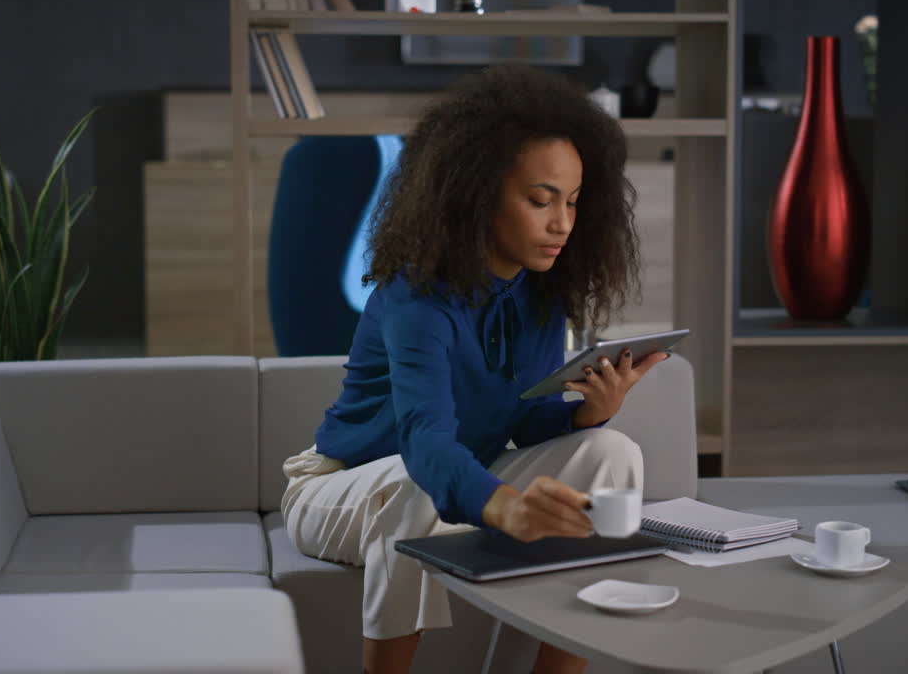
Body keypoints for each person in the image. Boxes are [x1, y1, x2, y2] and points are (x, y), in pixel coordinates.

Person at [281, 64, 668, 674]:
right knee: (417, 481)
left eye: (571, 202)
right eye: (541, 200)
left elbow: (529, 419)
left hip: (454, 478)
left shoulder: (541, 295)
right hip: (341, 490)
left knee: (612, 451)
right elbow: (426, 440)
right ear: (480, 192)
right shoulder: (416, 297)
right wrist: (504, 505)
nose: (562, 222)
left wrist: (589, 412)